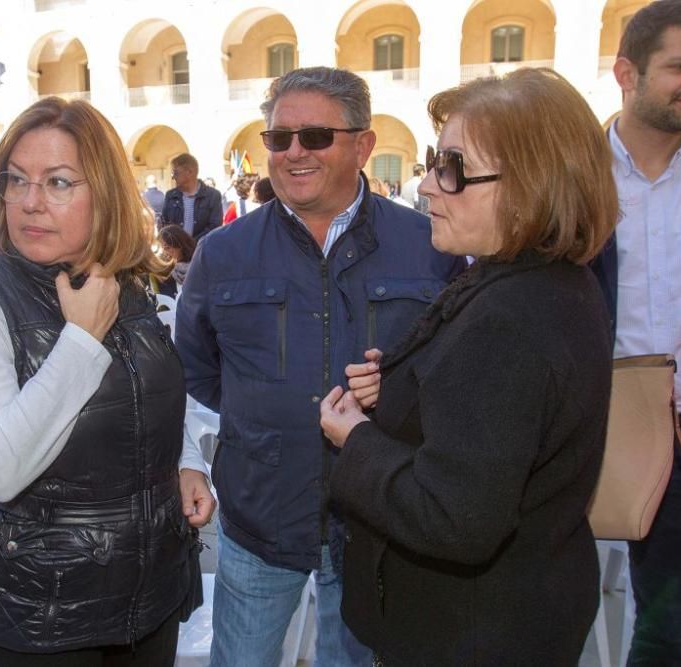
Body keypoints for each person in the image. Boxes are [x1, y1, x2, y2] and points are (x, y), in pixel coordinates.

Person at [318, 67, 617, 665]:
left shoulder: (511, 316)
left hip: (470, 632)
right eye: (434, 161)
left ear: (531, 185)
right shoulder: (534, 282)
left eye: (452, 168)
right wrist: (403, 386)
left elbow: (454, 516)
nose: (427, 184)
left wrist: (355, 439)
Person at [175, 66, 465, 667]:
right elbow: (199, 371)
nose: (294, 153)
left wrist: (398, 393)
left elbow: (456, 371)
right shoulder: (223, 253)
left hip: (375, 523)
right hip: (260, 517)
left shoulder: (429, 245)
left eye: (315, 137)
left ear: (363, 145)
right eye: (279, 139)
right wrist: (264, 422)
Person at [0, 96, 213, 666]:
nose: (30, 202)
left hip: (149, 589)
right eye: (16, 180)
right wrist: (80, 342)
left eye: (58, 182)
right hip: (43, 609)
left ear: (104, 192)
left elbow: (153, 394)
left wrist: (186, 462)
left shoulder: (127, 283)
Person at [590, 1, 681, 663]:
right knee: (546, 616)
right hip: (577, 438)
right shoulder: (573, 173)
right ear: (626, 72)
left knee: (667, 630)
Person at [160, 153, 223, 241]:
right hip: (177, 252)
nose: (173, 177)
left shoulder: (212, 196)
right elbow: (164, 225)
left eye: (175, 173)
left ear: (189, 172)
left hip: (202, 251)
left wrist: (191, 244)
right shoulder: (171, 196)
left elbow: (214, 227)